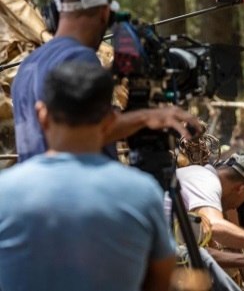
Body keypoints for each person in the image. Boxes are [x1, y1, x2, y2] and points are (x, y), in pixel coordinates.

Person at [0, 62, 176, 291]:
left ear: (41, 115)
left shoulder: (5, 190)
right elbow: (161, 279)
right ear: (111, 120)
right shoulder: (143, 192)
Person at [12, 0, 200, 162]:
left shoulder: (29, 63)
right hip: (79, 190)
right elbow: (87, 131)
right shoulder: (78, 56)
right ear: (104, 13)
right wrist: (149, 116)